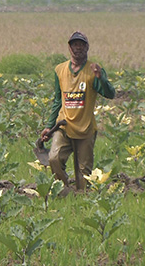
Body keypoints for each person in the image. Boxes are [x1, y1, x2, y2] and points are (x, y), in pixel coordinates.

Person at [41, 32, 115, 192]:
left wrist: (101, 78)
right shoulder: (60, 70)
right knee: (54, 158)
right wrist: (49, 125)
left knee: (84, 173)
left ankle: (81, 200)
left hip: (85, 129)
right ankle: (64, 191)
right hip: (64, 126)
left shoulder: (94, 69)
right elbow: (57, 100)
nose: (78, 48)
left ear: (87, 47)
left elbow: (110, 94)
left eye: (81, 44)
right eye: (75, 44)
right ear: (69, 47)